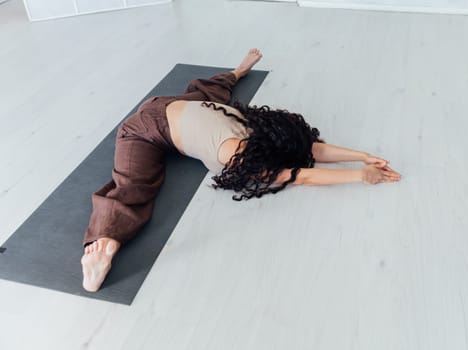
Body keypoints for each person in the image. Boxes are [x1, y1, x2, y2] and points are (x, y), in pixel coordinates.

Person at [81, 48, 402, 292]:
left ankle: (236, 71)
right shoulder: (239, 158)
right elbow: (302, 175)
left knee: (208, 94)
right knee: (135, 184)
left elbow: (312, 148)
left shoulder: (256, 126)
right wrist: (359, 175)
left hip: (171, 105)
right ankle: (107, 240)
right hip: (143, 128)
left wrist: (362, 156)